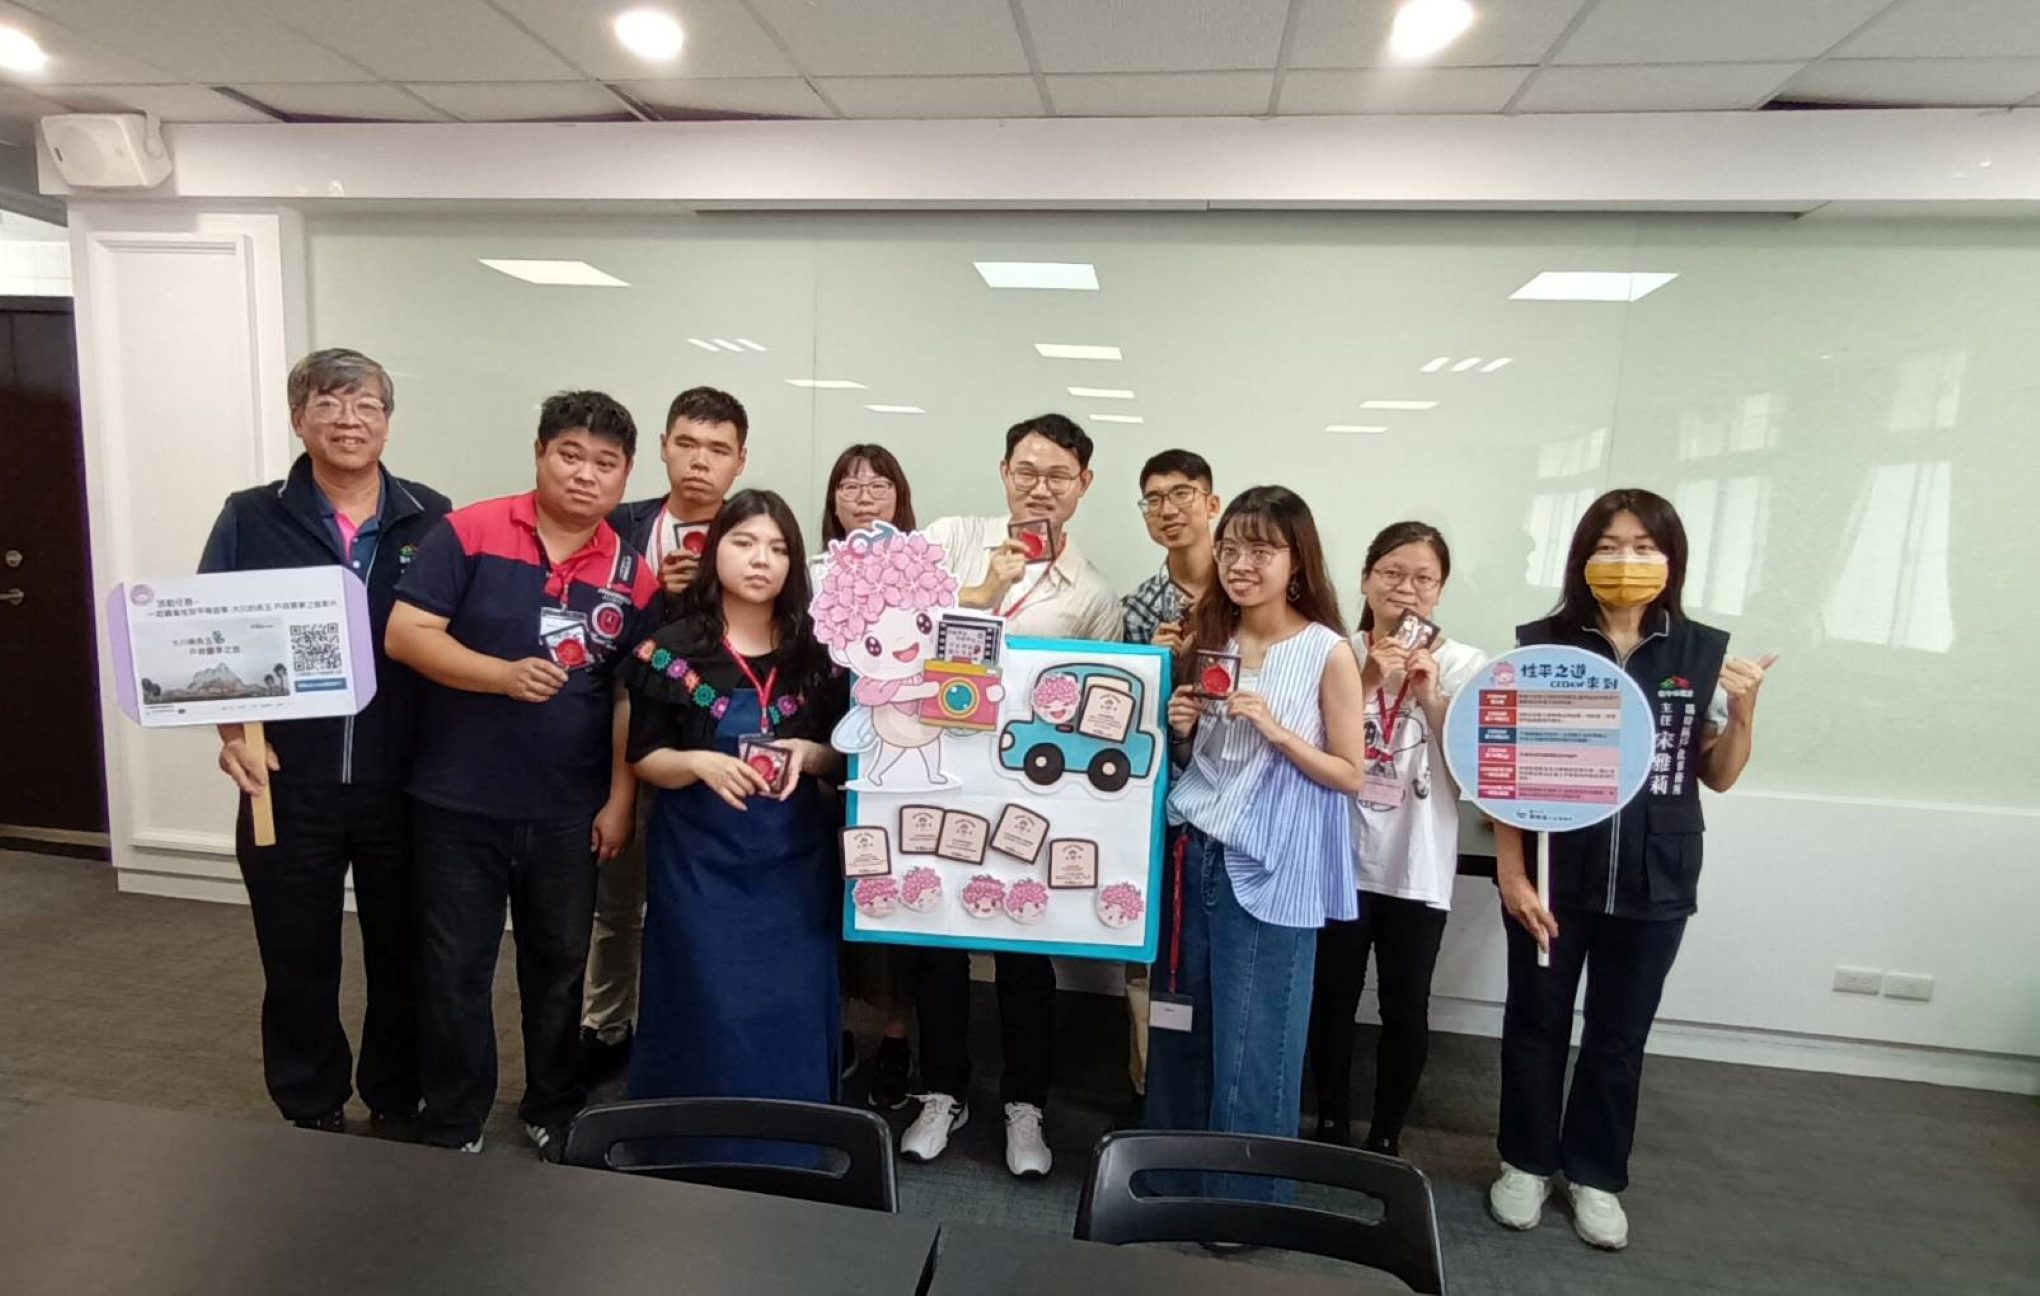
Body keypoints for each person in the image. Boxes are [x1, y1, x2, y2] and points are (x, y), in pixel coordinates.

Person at [1486, 488, 1772, 1251]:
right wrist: (1512, 873)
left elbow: (1719, 775)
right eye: (1609, 545)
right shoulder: (1543, 645)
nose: (1626, 560)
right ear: (1583, 556)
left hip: (1658, 873)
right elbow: (1507, 770)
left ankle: (1596, 1174)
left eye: (1645, 547)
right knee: (1536, 1022)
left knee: (1619, 1035)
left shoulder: (1699, 652)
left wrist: (1745, 712)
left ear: (1671, 560)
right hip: (1556, 871)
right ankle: (1524, 1162)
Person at [385, 390, 658, 1156]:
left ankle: (552, 1103)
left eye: (605, 463)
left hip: (569, 807)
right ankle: (455, 1115)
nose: (585, 474)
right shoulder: (468, 531)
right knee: (455, 966)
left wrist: (620, 799)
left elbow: (629, 696)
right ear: (540, 453)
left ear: (626, 474)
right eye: (570, 455)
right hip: (456, 800)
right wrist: (499, 676)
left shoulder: (632, 573)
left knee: (559, 965)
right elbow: (406, 634)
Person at [198, 348, 450, 1135]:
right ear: (298, 418)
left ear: (388, 421)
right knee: (296, 955)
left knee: (405, 952)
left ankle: (397, 1094)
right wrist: (232, 735)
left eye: (366, 405)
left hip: (404, 779)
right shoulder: (251, 515)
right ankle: (309, 1104)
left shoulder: (432, 515)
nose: (349, 421)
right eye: (330, 404)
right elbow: (210, 637)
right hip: (287, 780)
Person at [906, 413, 1122, 1178]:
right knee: (937, 941)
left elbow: (1097, 705)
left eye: (1059, 475)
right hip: (937, 778)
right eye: (1026, 471)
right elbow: (899, 632)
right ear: (1004, 473)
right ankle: (942, 1091)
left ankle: (1025, 1104)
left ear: (1084, 484)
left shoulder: (1092, 594)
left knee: (1026, 949)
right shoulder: (949, 539)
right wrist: (988, 588)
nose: (1040, 488)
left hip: (1031, 796)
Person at [1150, 485, 1366, 1200]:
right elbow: (1203, 765)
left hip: (1274, 867)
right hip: (1195, 852)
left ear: (1296, 561)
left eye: (1261, 550)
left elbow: (1351, 773)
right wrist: (1183, 731)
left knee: (1255, 1040)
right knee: (1180, 1027)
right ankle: (1165, 1179)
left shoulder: (1328, 651)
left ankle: (1243, 1203)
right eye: (1230, 549)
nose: (1241, 564)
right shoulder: (1211, 637)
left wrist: (1277, 730)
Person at [620, 489, 849, 1109]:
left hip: (793, 865)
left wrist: (811, 755)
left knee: (791, 998)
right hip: (698, 864)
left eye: (777, 548)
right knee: (701, 994)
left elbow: (845, 756)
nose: (760, 560)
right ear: (715, 549)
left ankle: (790, 1139)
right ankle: (685, 1136)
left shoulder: (820, 654)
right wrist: (696, 761)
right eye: (744, 542)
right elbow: (644, 756)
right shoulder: (669, 650)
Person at [580, 387, 750, 1084]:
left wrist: (701, 592)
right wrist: (656, 595)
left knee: (701, 909)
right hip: (615, 736)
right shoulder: (613, 525)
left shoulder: (754, 534)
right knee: (615, 900)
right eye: (687, 444)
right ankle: (605, 1024)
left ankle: (691, 1030)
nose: (699, 461)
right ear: (663, 447)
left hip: (717, 750)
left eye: (717, 449)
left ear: (740, 460)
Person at [1306, 522, 1488, 1157]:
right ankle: (1330, 1120)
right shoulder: (1333, 651)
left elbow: (1474, 774)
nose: (1405, 589)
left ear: (1439, 590)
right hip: (1339, 858)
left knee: (1406, 1006)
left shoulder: (1466, 664)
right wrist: (1366, 679)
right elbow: (1306, 746)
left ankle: (1387, 1133)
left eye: (1422, 578)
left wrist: (1432, 696)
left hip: (1417, 863)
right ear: (1365, 579)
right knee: (1331, 998)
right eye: (1391, 573)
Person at [1118, 449, 1223, 1114]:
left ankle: (1216, 1092)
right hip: (1158, 807)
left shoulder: (1248, 593)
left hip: (1234, 802)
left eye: (1182, 494)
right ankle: (1150, 1090)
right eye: (1153, 499)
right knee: (1154, 952)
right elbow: (1118, 719)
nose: (1167, 509)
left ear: (1212, 503)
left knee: (1221, 960)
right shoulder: (1138, 607)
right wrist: (1153, 667)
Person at [818, 443, 919, 1112]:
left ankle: (896, 1041)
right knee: (824, 907)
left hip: (899, 767)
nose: (862, 497)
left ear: (900, 498)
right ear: (833, 500)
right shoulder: (809, 572)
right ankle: (832, 1033)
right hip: (823, 764)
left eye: (878, 485)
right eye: (849, 486)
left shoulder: (924, 574)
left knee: (893, 907)